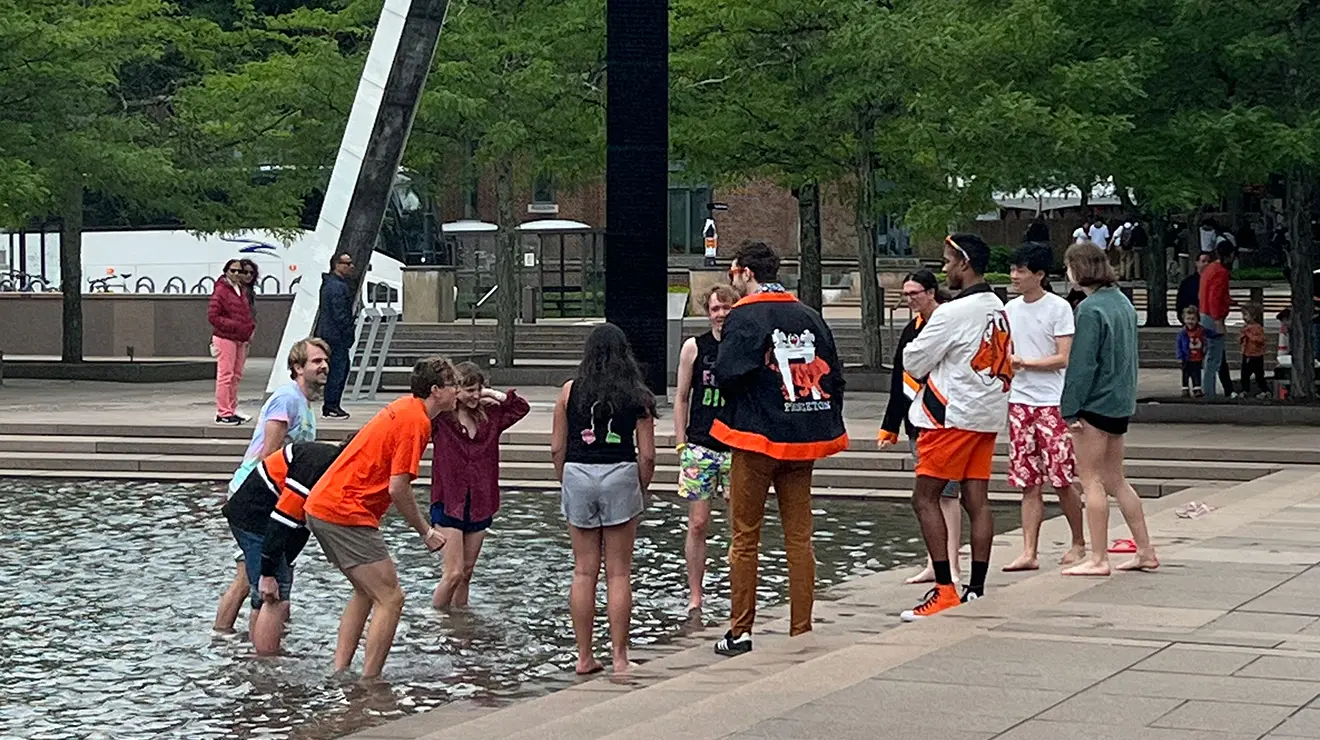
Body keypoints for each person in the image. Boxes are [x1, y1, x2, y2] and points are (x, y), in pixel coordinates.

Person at [711, 240, 848, 655]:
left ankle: (740, 630)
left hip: (755, 435)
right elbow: (835, 376)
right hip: (803, 432)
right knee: (799, 536)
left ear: (745, 273)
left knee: (744, 537)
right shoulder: (808, 314)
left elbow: (729, 373)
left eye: (734, 274)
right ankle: (800, 628)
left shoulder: (744, 315)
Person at [303, 357, 456, 679]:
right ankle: (370, 680)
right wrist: (425, 531)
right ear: (435, 391)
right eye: (452, 385)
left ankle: (341, 672)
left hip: (322, 506)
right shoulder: (417, 422)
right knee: (391, 597)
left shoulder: (404, 408)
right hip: (345, 510)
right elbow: (399, 487)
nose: (457, 391)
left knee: (366, 592)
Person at [899, 233, 1010, 621]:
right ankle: (975, 588)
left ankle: (944, 588)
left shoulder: (951, 313)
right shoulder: (998, 306)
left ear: (964, 263)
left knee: (924, 497)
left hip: (950, 417)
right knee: (976, 499)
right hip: (988, 414)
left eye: (948, 261)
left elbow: (912, 359)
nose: (944, 268)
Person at [551, 324, 657, 674]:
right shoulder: (637, 394)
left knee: (583, 571)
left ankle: (583, 657)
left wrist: (565, 479)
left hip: (578, 473)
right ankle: (620, 657)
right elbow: (647, 455)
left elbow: (556, 447)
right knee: (619, 574)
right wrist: (640, 488)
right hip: (620, 474)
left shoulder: (570, 392)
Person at [214, 338, 330, 631]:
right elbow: (269, 456)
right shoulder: (286, 399)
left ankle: (225, 638)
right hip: (258, 496)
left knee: (249, 577)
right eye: (316, 361)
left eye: (325, 360)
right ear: (297, 367)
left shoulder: (303, 403)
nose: (324, 366)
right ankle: (260, 654)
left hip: (273, 498)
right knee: (268, 586)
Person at [1059, 243, 1159, 576]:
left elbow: (1082, 365)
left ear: (1079, 268)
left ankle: (1099, 557)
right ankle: (1145, 550)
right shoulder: (1122, 302)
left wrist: (1069, 408)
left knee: (1090, 480)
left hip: (1093, 404)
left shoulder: (1090, 309)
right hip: (1119, 401)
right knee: (1117, 479)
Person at [1000, 245, 1087, 572]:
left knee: (1062, 478)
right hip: (1020, 402)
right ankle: (1029, 551)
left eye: (1021, 271)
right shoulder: (1011, 309)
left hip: (1052, 402)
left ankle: (1078, 541)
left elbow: (1063, 357)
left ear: (1039, 275)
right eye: (1013, 270)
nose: (1014, 276)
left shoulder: (1059, 308)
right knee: (1028, 480)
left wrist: (1025, 363)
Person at [222, 438, 350, 653]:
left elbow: (301, 525)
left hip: (261, 518)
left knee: (266, 591)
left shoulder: (329, 466)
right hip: (254, 518)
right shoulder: (317, 466)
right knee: (274, 595)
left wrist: (285, 560)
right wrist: (270, 571)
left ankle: (254, 653)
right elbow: (284, 518)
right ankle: (266, 663)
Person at [877, 270, 962, 585]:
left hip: (946, 418)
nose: (910, 299)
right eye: (906, 294)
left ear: (931, 292)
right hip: (918, 419)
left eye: (915, 293)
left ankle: (952, 564)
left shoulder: (947, 322)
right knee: (928, 493)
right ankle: (933, 561)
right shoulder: (911, 329)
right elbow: (900, 376)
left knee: (947, 494)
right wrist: (890, 426)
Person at [430, 362, 530, 609]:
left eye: (478, 389)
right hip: (449, 500)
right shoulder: (442, 420)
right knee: (452, 573)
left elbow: (520, 408)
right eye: (469, 390)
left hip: (480, 501)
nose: (475, 395)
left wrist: (494, 395)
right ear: (456, 390)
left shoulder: (491, 417)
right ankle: (436, 621)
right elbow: (420, 408)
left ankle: (460, 623)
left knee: (466, 573)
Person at [672, 284, 740, 614]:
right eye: (716, 309)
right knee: (698, 523)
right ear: (707, 311)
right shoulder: (694, 348)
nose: (721, 315)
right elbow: (682, 396)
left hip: (737, 445)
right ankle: (696, 592)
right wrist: (680, 441)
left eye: (727, 308)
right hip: (700, 444)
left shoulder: (744, 346)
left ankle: (738, 588)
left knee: (739, 521)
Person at [209, 258, 256, 425]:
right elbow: (213, 316)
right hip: (225, 338)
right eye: (233, 271)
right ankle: (223, 412)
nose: (237, 274)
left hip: (240, 338)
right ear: (226, 272)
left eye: (239, 271)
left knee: (236, 375)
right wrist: (235, 326)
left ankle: (231, 408)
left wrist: (248, 328)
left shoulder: (240, 290)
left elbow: (246, 313)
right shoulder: (221, 291)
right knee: (225, 375)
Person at [317, 251, 357, 420]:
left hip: (330, 333)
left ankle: (332, 405)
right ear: (337, 265)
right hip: (336, 336)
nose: (351, 266)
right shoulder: (337, 287)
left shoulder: (331, 284)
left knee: (337, 369)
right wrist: (348, 331)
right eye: (347, 263)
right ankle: (332, 405)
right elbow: (340, 314)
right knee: (338, 370)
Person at [1199, 240, 1236, 397]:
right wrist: (1218, 320)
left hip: (1203, 313)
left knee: (1211, 356)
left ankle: (1208, 390)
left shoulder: (1210, 268)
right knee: (1214, 357)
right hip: (1212, 317)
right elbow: (1215, 297)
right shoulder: (1221, 272)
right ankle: (1209, 392)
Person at [1239, 304, 1268, 397]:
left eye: (1246, 315)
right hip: (1246, 353)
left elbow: (1260, 340)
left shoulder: (1258, 328)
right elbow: (1240, 339)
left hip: (1256, 355)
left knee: (1259, 375)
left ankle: (1265, 390)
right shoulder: (1245, 327)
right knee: (1244, 374)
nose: (1244, 317)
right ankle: (1245, 390)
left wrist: (1249, 335)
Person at [1176, 306, 1206, 397]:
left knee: (1196, 373)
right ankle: (1185, 388)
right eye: (1188, 319)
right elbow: (1179, 345)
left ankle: (1197, 388)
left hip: (1197, 357)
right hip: (1186, 357)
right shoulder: (1182, 333)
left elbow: (1205, 340)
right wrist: (1180, 356)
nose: (1190, 321)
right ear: (1184, 320)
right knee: (1185, 373)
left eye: (1193, 319)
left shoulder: (1201, 331)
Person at [1176, 252, 1213, 319]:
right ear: (1197, 263)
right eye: (1203, 261)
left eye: (1209, 262)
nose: (1207, 264)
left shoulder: (1214, 281)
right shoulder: (1187, 282)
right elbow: (1181, 303)